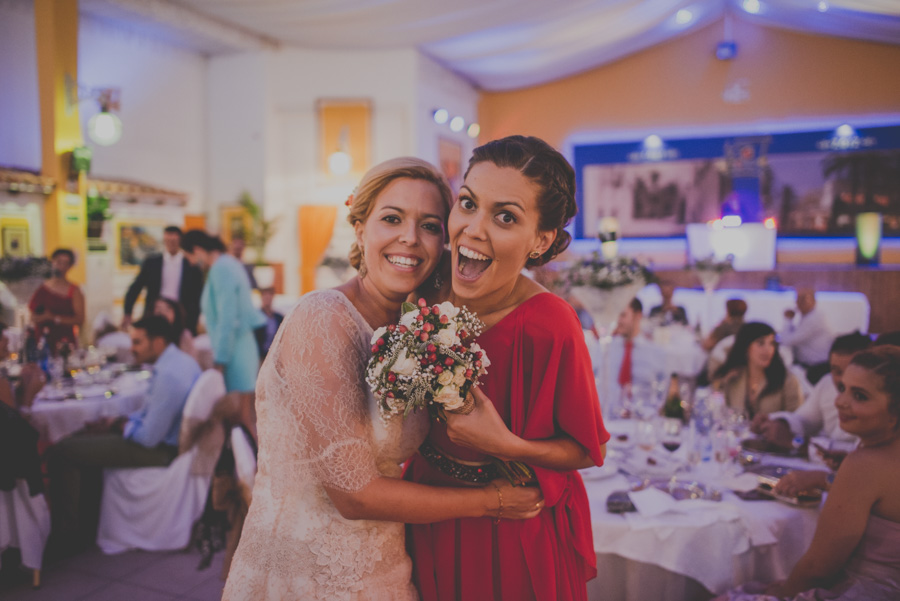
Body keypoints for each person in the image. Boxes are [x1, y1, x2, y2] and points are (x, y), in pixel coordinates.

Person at [222, 158, 542, 601]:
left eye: (429, 225)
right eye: (392, 218)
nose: (409, 238)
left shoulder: (419, 330)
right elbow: (354, 496)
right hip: (307, 577)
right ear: (359, 229)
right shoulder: (323, 318)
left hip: (387, 568)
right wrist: (492, 501)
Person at [404, 136, 610, 601]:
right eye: (468, 204)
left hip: (512, 529)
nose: (474, 229)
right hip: (426, 509)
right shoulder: (424, 292)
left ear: (541, 240)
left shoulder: (551, 324)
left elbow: (587, 449)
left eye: (505, 217)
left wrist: (504, 444)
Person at [716, 345, 900, 601]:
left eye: (860, 396)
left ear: (894, 413)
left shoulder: (864, 464)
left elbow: (818, 569)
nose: (840, 402)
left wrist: (782, 593)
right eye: (843, 388)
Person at [46, 316, 201, 552]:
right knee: (80, 438)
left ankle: (67, 535)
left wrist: (120, 426)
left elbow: (149, 438)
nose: (132, 348)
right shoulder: (181, 362)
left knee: (62, 450)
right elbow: (151, 417)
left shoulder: (169, 375)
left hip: (160, 452)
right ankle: (86, 522)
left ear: (158, 342)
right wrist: (117, 421)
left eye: (138, 342)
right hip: (164, 443)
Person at [181, 230, 265, 395]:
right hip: (239, 346)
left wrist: (220, 360)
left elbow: (228, 318)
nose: (190, 263)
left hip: (235, 352)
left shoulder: (221, 269)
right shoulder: (226, 264)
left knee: (237, 413)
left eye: (188, 257)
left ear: (197, 250)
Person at [122, 225, 203, 335]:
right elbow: (136, 287)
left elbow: (198, 295)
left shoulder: (191, 266)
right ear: (164, 240)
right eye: (168, 240)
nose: (171, 244)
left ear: (180, 241)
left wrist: (195, 318)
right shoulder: (152, 263)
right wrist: (128, 312)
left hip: (182, 316)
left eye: (174, 241)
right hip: (155, 313)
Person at [712, 322, 803, 419]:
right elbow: (718, 412)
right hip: (738, 433)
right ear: (746, 347)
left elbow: (797, 420)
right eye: (761, 343)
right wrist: (722, 383)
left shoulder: (787, 380)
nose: (768, 350)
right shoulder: (734, 377)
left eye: (772, 343)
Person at [28, 248, 84, 353]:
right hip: (42, 340)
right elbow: (32, 313)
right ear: (53, 262)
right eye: (59, 262)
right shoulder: (42, 287)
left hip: (64, 342)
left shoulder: (74, 291)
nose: (61, 266)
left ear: (70, 266)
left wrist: (53, 318)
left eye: (65, 263)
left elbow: (80, 319)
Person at [780, 289, 832, 368]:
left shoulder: (814, 318)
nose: (800, 302)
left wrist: (788, 320)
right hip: (808, 365)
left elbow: (787, 341)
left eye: (804, 299)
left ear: (814, 302)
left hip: (816, 367)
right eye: (798, 299)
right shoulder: (806, 317)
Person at [153, 297, 197, 361]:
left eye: (167, 309)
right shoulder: (148, 334)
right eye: (159, 309)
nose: (163, 313)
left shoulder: (184, 335)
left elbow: (190, 360)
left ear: (176, 313)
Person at [253, 286, 283, 361]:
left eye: (269, 297)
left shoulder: (279, 317)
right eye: (265, 297)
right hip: (260, 356)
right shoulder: (257, 316)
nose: (267, 300)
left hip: (275, 356)